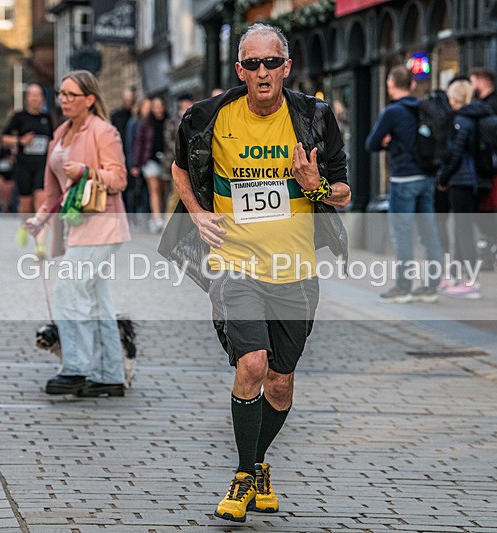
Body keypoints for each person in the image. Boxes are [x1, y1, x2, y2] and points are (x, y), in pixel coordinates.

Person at [158, 23, 351, 523]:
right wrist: (197, 213)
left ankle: (257, 463)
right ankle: (245, 475)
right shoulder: (207, 117)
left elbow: (345, 194)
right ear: (239, 69)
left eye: (273, 63)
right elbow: (180, 167)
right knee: (253, 365)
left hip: (294, 270)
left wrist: (314, 185)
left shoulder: (314, 117)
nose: (263, 72)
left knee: (281, 383)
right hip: (235, 266)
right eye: (253, 64)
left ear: (287, 67)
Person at [25, 70, 131, 394]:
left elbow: (119, 178)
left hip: (101, 224)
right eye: (61, 94)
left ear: (90, 99)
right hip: (73, 227)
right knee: (97, 300)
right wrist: (40, 218)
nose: (64, 100)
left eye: (72, 95)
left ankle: (76, 367)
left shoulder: (104, 131)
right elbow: (52, 187)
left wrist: (86, 171)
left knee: (68, 290)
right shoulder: (59, 134)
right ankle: (111, 375)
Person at [365, 65, 443, 303]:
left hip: (403, 179)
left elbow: (371, 144)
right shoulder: (422, 107)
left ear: (390, 85)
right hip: (426, 177)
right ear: (412, 85)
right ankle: (430, 287)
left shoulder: (392, 112)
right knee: (429, 233)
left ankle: (404, 287)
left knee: (403, 234)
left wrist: (388, 142)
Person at [436, 80, 492, 299]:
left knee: (464, 231)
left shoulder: (462, 120)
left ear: (455, 98)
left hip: (462, 181)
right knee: (462, 230)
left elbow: (456, 153)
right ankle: (460, 278)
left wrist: (444, 177)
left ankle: (471, 281)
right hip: (474, 180)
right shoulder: (477, 116)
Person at [2, 84, 54, 257]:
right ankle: (24, 225)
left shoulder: (48, 118)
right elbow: (3, 137)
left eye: (38, 95)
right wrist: (20, 140)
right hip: (24, 165)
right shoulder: (19, 117)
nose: (35, 99)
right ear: (27, 98)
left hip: (42, 165)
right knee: (26, 204)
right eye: (31, 95)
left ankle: (40, 245)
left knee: (41, 203)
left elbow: (54, 141)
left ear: (43, 98)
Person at [469, 67, 497, 270]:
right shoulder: (489, 104)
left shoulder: (492, 105)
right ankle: (493, 250)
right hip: (486, 167)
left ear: (481, 81)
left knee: (485, 209)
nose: (471, 85)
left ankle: (492, 250)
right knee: (485, 210)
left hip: (487, 168)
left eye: (473, 80)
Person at [133, 96, 168, 233]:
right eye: (155, 106)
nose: (157, 108)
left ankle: (162, 217)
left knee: (163, 191)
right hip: (150, 160)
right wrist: (136, 163)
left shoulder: (169, 121)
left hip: (166, 160)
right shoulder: (145, 124)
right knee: (154, 190)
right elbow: (138, 144)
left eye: (160, 105)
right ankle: (156, 219)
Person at [163, 94, 194, 218]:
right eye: (184, 101)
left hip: (192, 161)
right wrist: (180, 150)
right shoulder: (173, 120)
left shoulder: (195, 117)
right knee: (176, 192)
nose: (186, 104)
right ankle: (169, 220)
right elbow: (168, 139)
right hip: (176, 160)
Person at [0, 143, 16, 214]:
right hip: (1, 175)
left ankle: (7, 207)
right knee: (2, 194)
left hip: (10, 175)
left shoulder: (12, 150)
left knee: (9, 194)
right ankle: (4, 208)